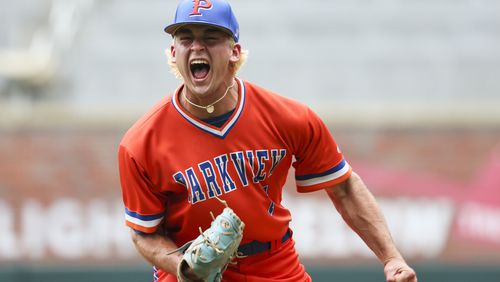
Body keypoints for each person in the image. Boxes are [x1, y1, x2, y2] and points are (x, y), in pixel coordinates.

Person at [118, 0, 418, 281]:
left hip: (274, 265)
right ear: (173, 52)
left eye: (210, 37)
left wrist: (391, 258)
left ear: (234, 51)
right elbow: (143, 234)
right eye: (186, 39)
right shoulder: (141, 142)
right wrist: (184, 267)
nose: (197, 46)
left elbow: (344, 187)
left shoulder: (287, 117)